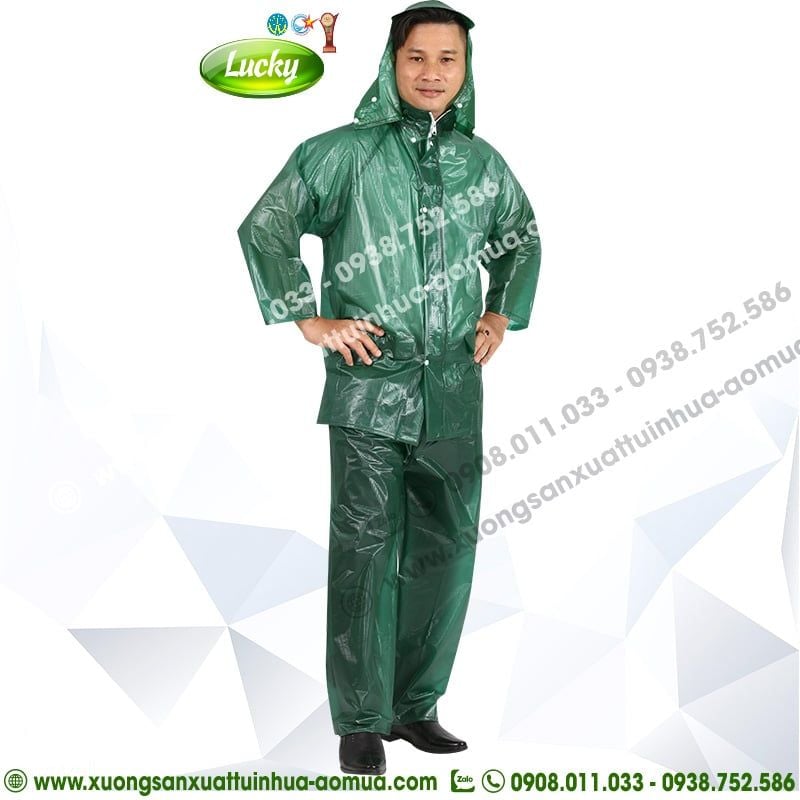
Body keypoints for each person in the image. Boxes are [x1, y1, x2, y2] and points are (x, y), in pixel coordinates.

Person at [237, 0, 542, 775]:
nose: (432, 73)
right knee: (366, 553)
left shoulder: (482, 164)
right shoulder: (342, 154)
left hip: (454, 391)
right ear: (391, 62)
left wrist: (499, 312)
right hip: (369, 389)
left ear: (466, 69)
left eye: (448, 59)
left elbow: (521, 238)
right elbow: (267, 224)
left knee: (445, 551)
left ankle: (415, 707)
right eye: (417, 57)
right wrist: (310, 320)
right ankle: (361, 720)